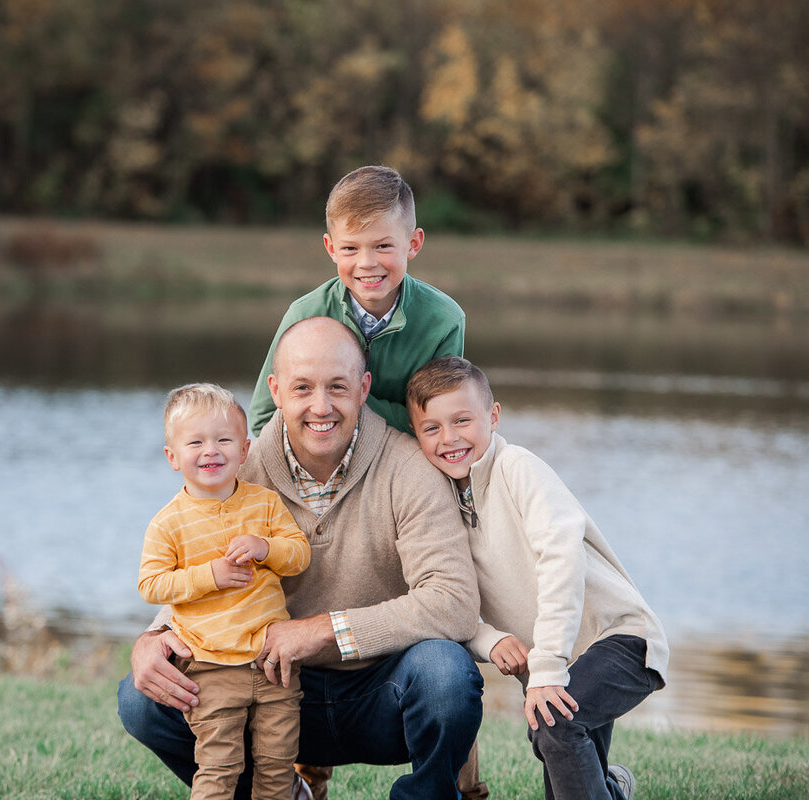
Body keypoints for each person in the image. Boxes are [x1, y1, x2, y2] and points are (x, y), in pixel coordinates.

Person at [120, 316, 483, 800]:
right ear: (276, 390)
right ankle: (279, 794)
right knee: (142, 699)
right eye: (302, 387)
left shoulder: (409, 469)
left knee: (446, 674)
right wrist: (155, 636)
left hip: (379, 692)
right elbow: (203, 569)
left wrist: (323, 630)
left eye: (337, 386)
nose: (320, 406)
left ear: (363, 388)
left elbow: (454, 602)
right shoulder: (237, 467)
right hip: (264, 688)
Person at [405, 356, 670, 800]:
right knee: (566, 756)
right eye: (431, 428)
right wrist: (488, 639)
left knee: (555, 724)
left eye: (462, 420)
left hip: (619, 639)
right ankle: (611, 789)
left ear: (493, 416)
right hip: (561, 664)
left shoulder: (518, 468)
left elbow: (561, 556)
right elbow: (441, 599)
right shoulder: (438, 504)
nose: (449, 438)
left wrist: (546, 667)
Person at [138, 383, 312, 800]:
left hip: (273, 664)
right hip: (210, 667)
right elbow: (151, 584)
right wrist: (208, 576)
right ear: (173, 457)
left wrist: (266, 548)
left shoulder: (265, 505)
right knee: (218, 767)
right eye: (195, 442)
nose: (210, 450)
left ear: (245, 450)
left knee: (275, 766)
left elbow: (300, 555)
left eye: (223, 440)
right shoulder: (168, 523)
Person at [248, 165, 465, 437]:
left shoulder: (444, 320)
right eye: (350, 248)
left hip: (400, 456)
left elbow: (435, 422)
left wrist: (348, 402)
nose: (367, 263)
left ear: (413, 243)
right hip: (321, 452)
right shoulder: (305, 314)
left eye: (383, 246)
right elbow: (264, 418)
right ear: (331, 248)